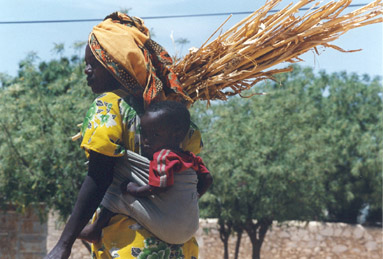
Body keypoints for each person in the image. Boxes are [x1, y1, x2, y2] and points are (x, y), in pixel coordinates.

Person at [46, 12, 204, 259]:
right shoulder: (170, 112)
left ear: (115, 65)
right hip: (180, 248)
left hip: (129, 245)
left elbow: (99, 176)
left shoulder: (108, 105)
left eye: (93, 63)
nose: (87, 70)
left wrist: (63, 244)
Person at [79, 100, 212, 245]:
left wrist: (134, 189)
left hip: (171, 229)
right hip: (191, 227)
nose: (145, 141)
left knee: (119, 192)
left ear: (177, 134)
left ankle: (94, 230)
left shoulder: (163, 156)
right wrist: (194, 196)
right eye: (144, 134)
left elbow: (160, 186)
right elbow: (207, 179)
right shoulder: (191, 157)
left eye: (155, 135)